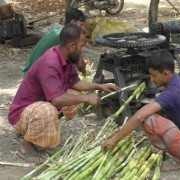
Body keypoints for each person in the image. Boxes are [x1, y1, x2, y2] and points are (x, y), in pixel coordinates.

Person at [8, 24, 120, 164]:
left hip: (37, 106)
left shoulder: (64, 57)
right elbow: (56, 99)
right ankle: (26, 147)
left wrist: (100, 86)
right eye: (82, 45)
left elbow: (75, 83)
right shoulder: (50, 63)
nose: (82, 49)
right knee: (48, 110)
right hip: (21, 114)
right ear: (71, 46)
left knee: (73, 95)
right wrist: (86, 98)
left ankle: (34, 133)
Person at [101, 50, 180, 171]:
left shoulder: (172, 93)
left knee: (149, 120)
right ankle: (179, 152)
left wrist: (114, 140)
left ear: (165, 74)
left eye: (154, 75)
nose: (151, 79)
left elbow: (139, 117)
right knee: (160, 113)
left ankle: (179, 160)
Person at [22, 8, 88, 76]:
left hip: (31, 72)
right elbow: (80, 66)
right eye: (81, 25)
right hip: (34, 76)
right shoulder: (66, 37)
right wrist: (85, 74)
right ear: (73, 22)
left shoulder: (58, 31)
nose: (83, 29)